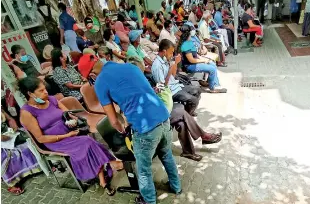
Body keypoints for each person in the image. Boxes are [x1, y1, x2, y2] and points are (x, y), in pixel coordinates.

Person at [77, 54, 181, 204]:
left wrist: (123, 130)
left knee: (143, 169)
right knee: (166, 155)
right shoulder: (130, 66)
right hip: (163, 116)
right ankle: (176, 187)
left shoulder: (100, 82)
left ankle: (148, 200)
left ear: (92, 74)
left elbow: (113, 120)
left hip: (145, 128)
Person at [19, 77, 122, 196]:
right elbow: (41, 139)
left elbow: (69, 114)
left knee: (88, 142)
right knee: (87, 142)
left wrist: (73, 119)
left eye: (45, 89)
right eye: (41, 91)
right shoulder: (26, 113)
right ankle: (108, 167)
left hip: (70, 132)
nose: (46, 92)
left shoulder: (51, 100)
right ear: (30, 94)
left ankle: (103, 179)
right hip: (55, 141)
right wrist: (66, 135)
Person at [152, 39, 201, 116]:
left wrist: (175, 64)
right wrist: (172, 67)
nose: (172, 54)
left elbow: (173, 76)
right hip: (170, 91)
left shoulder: (164, 59)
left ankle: (188, 112)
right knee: (194, 100)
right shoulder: (157, 66)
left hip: (175, 85)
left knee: (197, 90)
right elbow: (162, 86)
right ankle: (186, 116)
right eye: (171, 52)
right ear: (164, 51)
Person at [1, 110, 41, 195]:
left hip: (8, 134)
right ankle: (12, 183)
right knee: (6, 156)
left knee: (31, 140)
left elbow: (10, 119)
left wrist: (14, 127)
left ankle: (42, 165)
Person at [178, 24, 227, 93]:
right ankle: (213, 88)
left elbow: (195, 54)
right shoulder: (186, 44)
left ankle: (212, 83)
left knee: (212, 63)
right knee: (212, 69)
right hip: (189, 66)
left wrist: (204, 59)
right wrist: (203, 60)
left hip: (193, 63)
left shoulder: (189, 42)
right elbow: (191, 60)